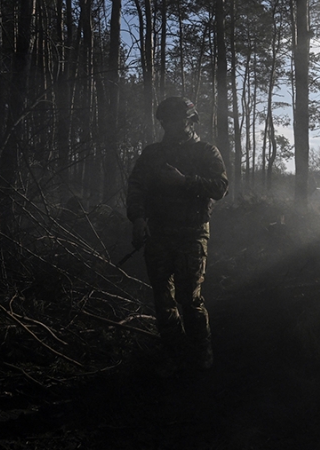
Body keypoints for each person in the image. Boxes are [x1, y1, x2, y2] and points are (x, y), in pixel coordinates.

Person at [126, 97, 228, 372]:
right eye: (166, 121)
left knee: (190, 299)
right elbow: (136, 187)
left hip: (192, 234)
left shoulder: (206, 152)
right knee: (163, 299)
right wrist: (137, 219)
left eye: (176, 120)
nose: (170, 125)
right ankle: (176, 355)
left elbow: (219, 187)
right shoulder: (152, 154)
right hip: (159, 233)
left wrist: (184, 181)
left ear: (190, 120)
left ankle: (201, 359)